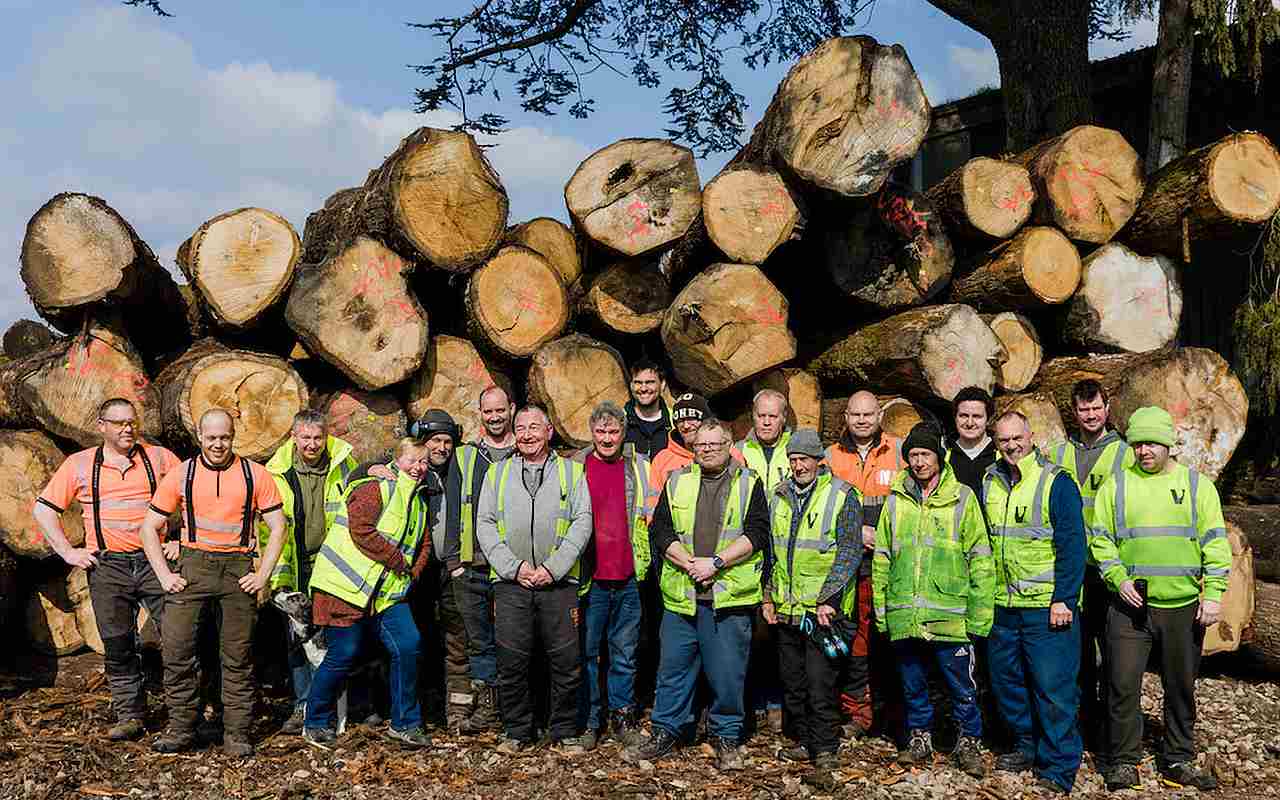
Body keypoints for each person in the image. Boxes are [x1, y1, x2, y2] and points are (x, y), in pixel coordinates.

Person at [1091, 406, 1229, 792]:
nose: (1143, 450)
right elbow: (1101, 540)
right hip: (1129, 606)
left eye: (1151, 442)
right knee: (1121, 684)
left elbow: (1216, 545)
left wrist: (1214, 595)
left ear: (1168, 443)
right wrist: (1117, 579)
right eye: (1136, 443)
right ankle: (1123, 761)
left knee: (1181, 686)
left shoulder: (1197, 486)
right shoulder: (1115, 486)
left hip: (1182, 607)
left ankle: (1178, 758)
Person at [624, 418, 771, 772]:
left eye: (714, 445)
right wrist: (688, 561)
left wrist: (716, 563)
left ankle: (726, 736)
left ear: (728, 445)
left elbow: (757, 532)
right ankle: (665, 731)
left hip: (728, 596)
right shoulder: (677, 481)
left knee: (727, 674)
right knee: (672, 670)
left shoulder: (749, 483)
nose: (706, 450)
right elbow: (660, 528)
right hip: (682, 595)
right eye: (701, 445)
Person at [139, 409, 287, 756]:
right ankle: (181, 730)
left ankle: (236, 734)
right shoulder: (182, 474)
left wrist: (262, 574)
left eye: (225, 437)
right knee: (176, 652)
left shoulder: (255, 475)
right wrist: (164, 575)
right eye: (211, 438)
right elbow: (148, 528)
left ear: (233, 436)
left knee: (237, 657)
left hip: (237, 571)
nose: (218, 444)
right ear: (200, 437)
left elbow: (279, 527)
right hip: (193, 567)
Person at [32, 398, 182, 741]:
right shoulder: (80, 465)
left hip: (155, 562)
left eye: (131, 422)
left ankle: (184, 713)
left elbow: (193, 493)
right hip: (108, 566)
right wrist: (69, 552)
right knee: (117, 644)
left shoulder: (158, 458)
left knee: (177, 639)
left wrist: (181, 539)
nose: (127, 429)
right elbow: (43, 510)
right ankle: (131, 715)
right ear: (102, 426)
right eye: (119, 423)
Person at [872, 423, 992, 777]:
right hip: (905, 611)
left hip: (950, 614)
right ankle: (920, 737)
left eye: (925, 454)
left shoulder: (963, 498)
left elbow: (981, 559)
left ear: (939, 457)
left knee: (961, 684)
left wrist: (981, 617)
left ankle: (969, 740)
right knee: (912, 683)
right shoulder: (896, 500)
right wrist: (883, 612)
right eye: (913, 455)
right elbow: (882, 557)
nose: (920, 462)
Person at [301, 437, 436, 749]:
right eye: (411, 461)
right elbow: (361, 529)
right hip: (342, 586)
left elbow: (424, 542)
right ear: (397, 460)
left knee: (408, 645)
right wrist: (398, 561)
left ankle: (406, 724)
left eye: (423, 462)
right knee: (342, 654)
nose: (417, 468)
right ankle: (315, 721)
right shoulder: (376, 485)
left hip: (385, 593)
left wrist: (413, 572)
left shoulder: (419, 499)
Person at [475, 406, 593, 752]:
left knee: (566, 663)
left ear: (549, 431)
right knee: (512, 662)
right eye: (521, 428)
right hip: (512, 584)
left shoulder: (572, 473)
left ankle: (565, 731)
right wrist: (514, 567)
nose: (527, 435)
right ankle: (516, 732)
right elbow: (484, 524)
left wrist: (553, 568)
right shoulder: (496, 474)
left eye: (534, 428)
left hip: (559, 584)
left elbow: (582, 521)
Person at [982, 412, 1087, 794]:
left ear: (1031, 436)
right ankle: (1026, 745)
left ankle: (1059, 766)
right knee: (1007, 683)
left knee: (1052, 688)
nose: (1011, 446)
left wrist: (1064, 598)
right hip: (1002, 605)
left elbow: (1073, 544)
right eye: (1004, 440)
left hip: (1046, 608)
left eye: (1017, 438)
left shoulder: (1055, 482)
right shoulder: (990, 481)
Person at [761, 429, 863, 787]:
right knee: (793, 681)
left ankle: (825, 747)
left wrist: (829, 599)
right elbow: (772, 553)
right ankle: (802, 740)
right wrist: (769, 596)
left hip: (822, 612)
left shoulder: (842, 495)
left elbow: (850, 551)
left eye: (805, 459)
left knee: (821, 682)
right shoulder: (778, 497)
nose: (798, 465)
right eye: (793, 460)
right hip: (788, 609)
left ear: (820, 461)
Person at [1044, 379, 1134, 752]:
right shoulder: (1058, 452)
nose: (1091, 415)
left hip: (1107, 571)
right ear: (1074, 412)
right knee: (1075, 655)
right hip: (1071, 570)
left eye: (1096, 408)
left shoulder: (1124, 454)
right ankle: (1080, 728)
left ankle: (1111, 735)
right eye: (1084, 409)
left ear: (1107, 409)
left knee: (1113, 657)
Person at [259, 409, 358, 735]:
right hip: (294, 566)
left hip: (332, 566)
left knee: (330, 639)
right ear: (294, 438)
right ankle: (303, 705)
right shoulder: (276, 472)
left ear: (326, 436)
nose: (312, 444)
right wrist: (274, 575)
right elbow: (266, 529)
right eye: (306, 438)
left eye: (318, 437)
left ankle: (327, 706)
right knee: (297, 642)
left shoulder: (344, 463)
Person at [569, 401, 654, 750]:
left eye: (613, 431)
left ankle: (622, 716)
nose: (607, 438)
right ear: (592, 432)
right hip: (591, 576)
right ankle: (590, 720)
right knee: (587, 653)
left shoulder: (639, 466)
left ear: (623, 432)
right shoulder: (575, 466)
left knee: (625, 652)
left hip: (629, 575)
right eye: (601, 432)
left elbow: (652, 510)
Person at [824, 390, 903, 738]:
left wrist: (881, 537)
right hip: (845, 565)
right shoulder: (830, 456)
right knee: (850, 640)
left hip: (888, 563)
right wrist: (858, 533)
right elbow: (823, 508)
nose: (861, 420)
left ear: (879, 416)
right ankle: (855, 712)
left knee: (884, 638)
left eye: (868, 414)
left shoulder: (899, 452)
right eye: (855, 414)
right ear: (845, 417)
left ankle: (888, 712)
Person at [453, 384, 518, 734]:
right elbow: (449, 506)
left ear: (511, 408)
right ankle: (488, 710)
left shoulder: (526, 451)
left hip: (511, 565)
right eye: (487, 411)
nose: (494, 417)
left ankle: (515, 709)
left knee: (512, 640)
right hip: (472, 564)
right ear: (480, 414)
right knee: (479, 642)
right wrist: (454, 562)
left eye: (499, 410)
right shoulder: (466, 455)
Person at [409, 410, 473, 731]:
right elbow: (368, 472)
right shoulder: (411, 469)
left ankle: (458, 710)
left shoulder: (463, 468)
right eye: (436, 440)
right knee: (420, 638)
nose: (442, 447)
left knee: (457, 640)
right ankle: (422, 707)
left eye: (448, 441)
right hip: (418, 571)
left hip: (454, 568)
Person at [736, 389, 791, 734]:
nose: (767, 421)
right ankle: (749, 699)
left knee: (778, 630)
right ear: (752, 417)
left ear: (783, 418)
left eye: (773, 416)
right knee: (747, 627)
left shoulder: (795, 450)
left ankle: (775, 700)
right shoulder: (739, 452)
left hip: (786, 549)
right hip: (746, 549)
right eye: (761, 415)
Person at [648, 393, 712, 502]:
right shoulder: (662, 460)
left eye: (692, 418)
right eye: (680, 420)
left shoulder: (726, 452)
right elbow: (652, 506)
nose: (686, 426)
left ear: (705, 421)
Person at [947, 386, 998, 498]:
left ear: (988, 419)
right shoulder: (944, 453)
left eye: (977, 416)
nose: (970, 423)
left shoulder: (1001, 454)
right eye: (963, 416)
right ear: (955, 418)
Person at [624, 360, 673, 460]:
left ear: (662, 384)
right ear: (631, 385)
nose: (643, 388)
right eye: (638, 382)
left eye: (650, 382)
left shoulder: (674, 422)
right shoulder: (619, 420)